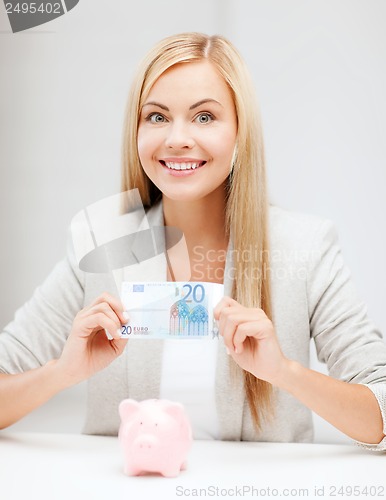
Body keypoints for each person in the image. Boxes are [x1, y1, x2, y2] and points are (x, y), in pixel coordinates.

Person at [0, 32, 385, 449]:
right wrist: (62, 372)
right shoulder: (102, 243)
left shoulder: (305, 247)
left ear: (241, 131)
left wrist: (285, 372)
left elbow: (379, 413)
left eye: (204, 117)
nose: (177, 138)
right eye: (157, 117)